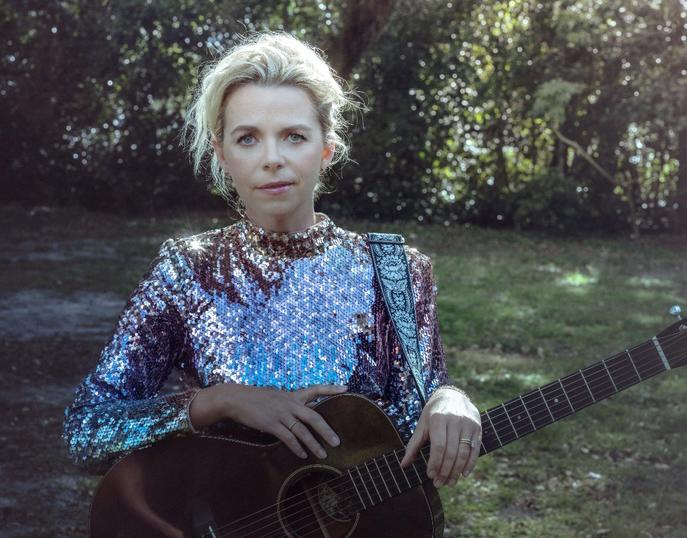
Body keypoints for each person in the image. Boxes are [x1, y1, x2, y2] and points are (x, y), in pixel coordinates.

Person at [63, 31, 481, 492]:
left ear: (327, 148)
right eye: (248, 139)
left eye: (294, 136)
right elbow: (87, 432)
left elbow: (422, 411)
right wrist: (218, 401)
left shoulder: (396, 269)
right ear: (222, 155)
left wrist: (449, 399)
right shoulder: (187, 269)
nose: (272, 159)